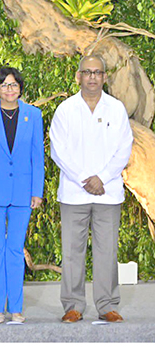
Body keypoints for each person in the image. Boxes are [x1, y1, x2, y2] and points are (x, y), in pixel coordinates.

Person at [50, 54, 133, 323]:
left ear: (105, 77)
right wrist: (86, 178)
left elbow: (124, 148)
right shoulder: (65, 109)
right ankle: (73, 305)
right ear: (78, 76)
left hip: (108, 193)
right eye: (87, 72)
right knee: (72, 252)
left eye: (97, 72)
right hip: (74, 193)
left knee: (106, 251)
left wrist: (104, 178)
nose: (93, 77)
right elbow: (58, 151)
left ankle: (107, 305)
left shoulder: (117, 109)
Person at [0, 66, 44, 323]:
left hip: (23, 194)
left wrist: (37, 191)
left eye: (14, 85)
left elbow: (38, 156)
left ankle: (16, 308)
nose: (9, 89)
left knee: (15, 250)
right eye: (4, 85)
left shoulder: (33, 115)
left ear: (20, 88)